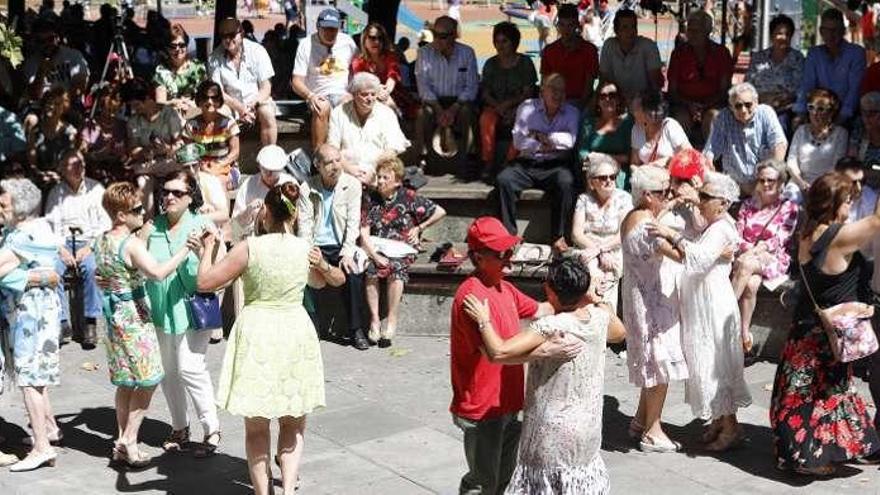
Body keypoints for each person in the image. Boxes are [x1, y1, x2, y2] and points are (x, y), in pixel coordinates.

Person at [195, 182, 343, 495]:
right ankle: (288, 490)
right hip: (294, 331)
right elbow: (335, 279)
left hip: (258, 332)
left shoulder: (250, 248)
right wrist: (324, 264)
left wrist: (206, 251)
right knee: (292, 420)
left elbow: (206, 282)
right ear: (293, 217)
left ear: (265, 215)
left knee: (257, 425)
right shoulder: (305, 249)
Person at [460, 257, 625, 494]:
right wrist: (597, 300)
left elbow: (499, 351)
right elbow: (620, 334)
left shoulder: (551, 326)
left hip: (550, 434)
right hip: (587, 432)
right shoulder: (599, 319)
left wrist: (484, 321)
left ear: (549, 289)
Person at [450, 216, 583, 494]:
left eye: (511, 250)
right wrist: (545, 350)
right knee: (481, 481)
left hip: (508, 402)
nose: (510, 258)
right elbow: (495, 354)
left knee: (504, 479)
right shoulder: (471, 297)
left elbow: (543, 309)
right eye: (502, 253)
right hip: (483, 407)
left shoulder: (504, 287)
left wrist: (583, 298)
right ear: (478, 258)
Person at [771, 172, 880, 475]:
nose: (850, 206)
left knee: (805, 392)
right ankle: (807, 459)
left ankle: (805, 453)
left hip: (805, 329)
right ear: (833, 205)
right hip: (824, 337)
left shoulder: (807, 232)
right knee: (815, 394)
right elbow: (877, 222)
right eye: (846, 201)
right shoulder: (837, 237)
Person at [95, 181, 200, 467]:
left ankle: (123, 440)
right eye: (137, 209)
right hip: (134, 318)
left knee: (127, 381)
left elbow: (103, 273)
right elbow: (157, 273)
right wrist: (185, 251)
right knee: (149, 378)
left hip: (114, 316)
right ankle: (128, 439)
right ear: (120, 215)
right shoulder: (131, 244)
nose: (144, 212)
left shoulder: (102, 240)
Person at [648, 172, 753, 451]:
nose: (700, 202)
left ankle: (730, 427)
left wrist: (671, 235)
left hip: (713, 304)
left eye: (706, 198)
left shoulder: (721, 227)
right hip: (702, 301)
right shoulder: (714, 225)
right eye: (701, 195)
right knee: (706, 361)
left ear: (723, 203)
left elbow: (699, 257)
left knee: (718, 364)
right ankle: (719, 421)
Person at [144, 169, 221, 458]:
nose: (170, 197)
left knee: (190, 367)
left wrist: (203, 253)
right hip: (160, 309)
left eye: (178, 192)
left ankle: (212, 428)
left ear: (191, 197)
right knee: (168, 372)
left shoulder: (202, 225)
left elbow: (211, 273)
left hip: (191, 308)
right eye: (166, 191)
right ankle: (180, 427)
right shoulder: (154, 226)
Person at [619, 166, 688, 452]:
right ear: (647, 195)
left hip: (641, 299)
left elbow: (653, 217)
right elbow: (685, 256)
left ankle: (640, 420)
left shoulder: (633, 215)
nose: (668, 195)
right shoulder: (648, 227)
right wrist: (675, 233)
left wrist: (671, 204)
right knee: (659, 366)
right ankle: (652, 429)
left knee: (651, 363)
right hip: (652, 305)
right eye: (663, 192)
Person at [1, 178, 65, 472]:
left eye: (4, 204)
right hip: (36, 310)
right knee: (36, 377)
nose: (0, 208)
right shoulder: (25, 230)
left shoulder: (22, 237)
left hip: (32, 314)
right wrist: (34, 276)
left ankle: (42, 447)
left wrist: (25, 278)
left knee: (29, 380)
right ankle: (49, 430)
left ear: (20, 207)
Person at [360, 156, 446, 347]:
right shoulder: (370, 198)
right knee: (372, 269)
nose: (381, 181)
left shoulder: (408, 197)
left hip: (402, 247)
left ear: (397, 181)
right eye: (379, 177)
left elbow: (440, 211)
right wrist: (374, 255)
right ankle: (374, 320)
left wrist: (419, 228)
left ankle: (391, 320)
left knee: (396, 269)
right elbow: (363, 232)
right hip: (377, 246)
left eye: (386, 178)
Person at [496, 73, 579, 253]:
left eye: (562, 91)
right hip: (526, 164)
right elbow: (518, 141)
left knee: (566, 182)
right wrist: (547, 145)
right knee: (504, 180)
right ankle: (509, 235)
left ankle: (558, 236)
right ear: (542, 91)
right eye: (553, 90)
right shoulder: (527, 108)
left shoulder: (572, 112)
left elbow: (570, 141)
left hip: (555, 166)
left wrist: (540, 136)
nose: (558, 95)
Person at [303, 144, 368, 349]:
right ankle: (310, 325)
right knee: (301, 270)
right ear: (318, 165)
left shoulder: (352, 185)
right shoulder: (307, 187)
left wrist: (347, 252)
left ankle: (355, 329)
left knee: (353, 273)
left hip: (341, 245)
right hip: (316, 245)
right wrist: (309, 251)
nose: (335, 166)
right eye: (329, 162)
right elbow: (304, 225)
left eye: (337, 160)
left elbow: (353, 223)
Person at [45, 150, 111, 349]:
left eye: (80, 163)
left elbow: (106, 223)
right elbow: (50, 227)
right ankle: (63, 323)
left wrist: (90, 247)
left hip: (89, 241)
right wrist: (60, 249)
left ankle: (90, 322)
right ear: (62, 169)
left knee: (92, 269)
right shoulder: (56, 193)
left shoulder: (96, 189)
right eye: (72, 164)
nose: (78, 168)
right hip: (63, 242)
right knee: (52, 271)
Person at [732, 160, 799, 352]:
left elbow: (781, 238)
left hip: (775, 259)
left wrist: (755, 251)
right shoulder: (747, 205)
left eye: (771, 180)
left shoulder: (789, 207)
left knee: (745, 265)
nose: (766, 184)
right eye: (762, 180)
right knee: (751, 284)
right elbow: (737, 236)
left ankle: (722, 313)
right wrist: (752, 249)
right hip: (749, 255)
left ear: (780, 183)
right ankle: (744, 336)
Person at [414, 16, 479, 173]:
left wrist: (453, 109)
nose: (436, 39)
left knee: (466, 112)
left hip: (459, 101)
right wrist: (438, 109)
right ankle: (423, 158)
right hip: (434, 101)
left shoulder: (467, 53)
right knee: (423, 114)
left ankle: (468, 158)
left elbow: (471, 87)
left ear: (453, 35)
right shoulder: (424, 53)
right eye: (435, 34)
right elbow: (423, 87)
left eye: (442, 36)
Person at [571, 153, 633, 312]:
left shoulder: (624, 198)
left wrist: (601, 250)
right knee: (591, 269)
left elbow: (623, 234)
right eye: (603, 177)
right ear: (592, 182)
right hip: (589, 248)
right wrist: (597, 252)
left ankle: (606, 318)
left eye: (612, 177)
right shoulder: (583, 199)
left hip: (614, 248)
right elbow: (576, 234)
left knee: (608, 271)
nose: (609, 181)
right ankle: (589, 315)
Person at [703, 82, 788, 194]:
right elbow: (711, 149)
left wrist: (771, 175)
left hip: (765, 183)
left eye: (748, 105)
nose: (743, 110)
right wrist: (708, 162)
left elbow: (779, 145)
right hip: (734, 185)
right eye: (738, 106)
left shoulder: (766, 113)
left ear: (756, 102)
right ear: (731, 107)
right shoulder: (723, 118)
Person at [291, 8, 358, 150]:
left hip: (342, 93)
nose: (330, 32)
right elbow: (296, 81)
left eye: (333, 29)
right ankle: (319, 156)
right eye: (326, 28)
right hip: (317, 94)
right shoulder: (306, 45)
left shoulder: (348, 43)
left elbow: (357, 70)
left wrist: (354, 90)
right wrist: (310, 96)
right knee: (322, 107)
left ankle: (348, 154)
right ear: (318, 27)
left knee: (349, 104)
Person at [327, 73, 410, 183]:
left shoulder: (387, 113)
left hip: (378, 175)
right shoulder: (339, 113)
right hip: (345, 173)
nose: (370, 99)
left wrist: (374, 171)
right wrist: (349, 169)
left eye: (373, 94)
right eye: (364, 94)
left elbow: (392, 149)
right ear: (354, 94)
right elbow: (333, 149)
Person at [479, 21, 538, 173]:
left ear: (514, 42)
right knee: (486, 119)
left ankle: (510, 161)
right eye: (497, 41)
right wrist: (499, 108)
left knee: (522, 119)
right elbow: (485, 92)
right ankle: (488, 161)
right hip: (495, 106)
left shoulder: (525, 62)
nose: (500, 45)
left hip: (521, 107)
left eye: (504, 41)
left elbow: (528, 92)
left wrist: (509, 107)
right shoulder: (490, 64)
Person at [208, 17, 277, 146]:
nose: (228, 40)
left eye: (232, 35)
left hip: (256, 101)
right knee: (221, 114)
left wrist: (253, 105)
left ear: (242, 33)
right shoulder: (214, 58)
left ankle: (269, 156)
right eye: (224, 36)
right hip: (230, 103)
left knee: (267, 113)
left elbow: (266, 87)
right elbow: (218, 92)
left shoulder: (258, 51)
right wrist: (240, 109)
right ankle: (228, 160)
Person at [667, 10, 734, 141]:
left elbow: (725, 89)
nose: (691, 34)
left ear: (707, 31)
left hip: (714, 104)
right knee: (680, 119)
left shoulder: (722, 53)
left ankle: (712, 159)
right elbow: (672, 90)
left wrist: (705, 106)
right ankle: (682, 159)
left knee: (713, 118)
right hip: (684, 105)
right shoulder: (678, 53)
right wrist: (690, 106)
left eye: (696, 30)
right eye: (689, 30)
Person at [794, 8, 866, 126]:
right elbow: (807, 85)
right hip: (818, 113)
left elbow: (855, 91)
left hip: (848, 115)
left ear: (843, 31)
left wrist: (839, 120)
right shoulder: (814, 54)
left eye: (835, 30)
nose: (831, 35)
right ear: (821, 31)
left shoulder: (856, 53)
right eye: (826, 30)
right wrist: (800, 114)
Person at [231, 144, 303, 243]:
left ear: (281, 168)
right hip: (254, 241)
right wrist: (248, 212)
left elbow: (300, 217)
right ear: (259, 166)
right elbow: (234, 226)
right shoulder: (248, 185)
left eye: (273, 171)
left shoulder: (290, 184)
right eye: (265, 169)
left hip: (284, 240)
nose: (269, 174)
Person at [744, 14, 804, 135]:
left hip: (785, 109)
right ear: (771, 35)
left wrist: (780, 100)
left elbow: (800, 89)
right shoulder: (759, 58)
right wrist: (761, 99)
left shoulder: (797, 59)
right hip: (758, 106)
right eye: (779, 33)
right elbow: (747, 86)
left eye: (787, 34)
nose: (783, 37)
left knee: (778, 126)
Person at [183, 80, 241, 190]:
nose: (210, 102)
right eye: (205, 98)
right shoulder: (191, 125)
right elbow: (189, 153)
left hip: (226, 169)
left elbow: (235, 153)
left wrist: (218, 165)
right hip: (200, 169)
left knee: (216, 184)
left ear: (219, 101)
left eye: (214, 98)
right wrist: (202, 168)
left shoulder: (229, 123)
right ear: (199, 101)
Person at [786, 88, 848, 192]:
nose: (814, 113)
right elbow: (791, 161)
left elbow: (837, 166)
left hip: (827, 184)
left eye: (821, 109)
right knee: (791, 196)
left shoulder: (840, 134)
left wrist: (819, 186)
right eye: (811, 107)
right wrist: (801, 183)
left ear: (831, 112)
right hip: (799, 182)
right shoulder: (801, 131)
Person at [577, 81, 634, 189]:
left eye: (612, 95)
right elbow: (582, 151)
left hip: (618, 171)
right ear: (597, 101)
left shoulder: (628, 122)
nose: (607, 99)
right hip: (594, 169)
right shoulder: (588, 123)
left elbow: (629, 156)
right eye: (603, 96)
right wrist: (590, 159)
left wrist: (601, 157)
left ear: (618, 99)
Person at [598, 8, 663, 103]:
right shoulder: (609, 46)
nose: (630, 31)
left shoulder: (648, 46)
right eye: (625, 27)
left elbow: (655, 85)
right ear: (616, 31)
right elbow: (604, 81)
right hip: (617, 101)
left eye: (633, 27)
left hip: (644, 101)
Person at [540, 3, 599, 107]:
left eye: (570, 25)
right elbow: (544, 82)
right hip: (554, 102)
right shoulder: (549, 51)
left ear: (577, 25)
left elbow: (588, 86)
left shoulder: (590, 50)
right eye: (562, 25)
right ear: (558, 25)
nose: (566, 30)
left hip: (579, 102)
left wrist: (579, 108)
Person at [350, 22, 414, 117]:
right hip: (368, 96)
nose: (376, 42)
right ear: (364, 40)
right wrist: (378, 90)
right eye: (372, 38)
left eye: (380, 38)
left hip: (394, 94)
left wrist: (385, 92)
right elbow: (362, 83)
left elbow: (393, 76)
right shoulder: (358, 62)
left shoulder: (391, 56)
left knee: (386, 101)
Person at [22, 17, 89, 105]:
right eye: (41, 41)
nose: (46, 44)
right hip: (42, 107)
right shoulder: (32, 62)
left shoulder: (73, 55)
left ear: (57, 38)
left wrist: (61, 102)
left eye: (50, 39)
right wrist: (41, 71)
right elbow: (34, 95)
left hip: (69, 104)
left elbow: (80, 85)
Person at [26, 87, 78, 190]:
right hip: (38, 181)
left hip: (62, 182)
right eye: (49, 102)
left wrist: (58, 177)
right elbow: (31, 164)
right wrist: (41, 174)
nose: (51, 106)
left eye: (57, 104)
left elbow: (70, 163)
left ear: (64, 108)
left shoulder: (70, 132)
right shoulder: (35, 130)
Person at [154, 23, 208, 119]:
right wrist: (174, 103)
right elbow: (160, 103)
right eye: (173, 46)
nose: (178, 49)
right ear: (167, 48)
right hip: (171, 116)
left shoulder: (198, 68)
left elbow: (206, 96)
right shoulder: (161, 72)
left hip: (196, 113)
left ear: (186, 46)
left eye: (182, 45)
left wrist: (192, 104)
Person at [630, 92, 691, 169]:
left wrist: (666, 161)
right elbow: (634, 164)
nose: (633, 112)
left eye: (637, 108)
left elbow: (689, 155)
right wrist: (637, 174)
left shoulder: (670, 125)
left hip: (671, 175)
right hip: (646, 177)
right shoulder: (636, 129)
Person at [853, 92, 880, 164]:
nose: (866, 117)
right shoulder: (859, 127)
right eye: (863, 112)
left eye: (872, 112)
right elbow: (851, 160)